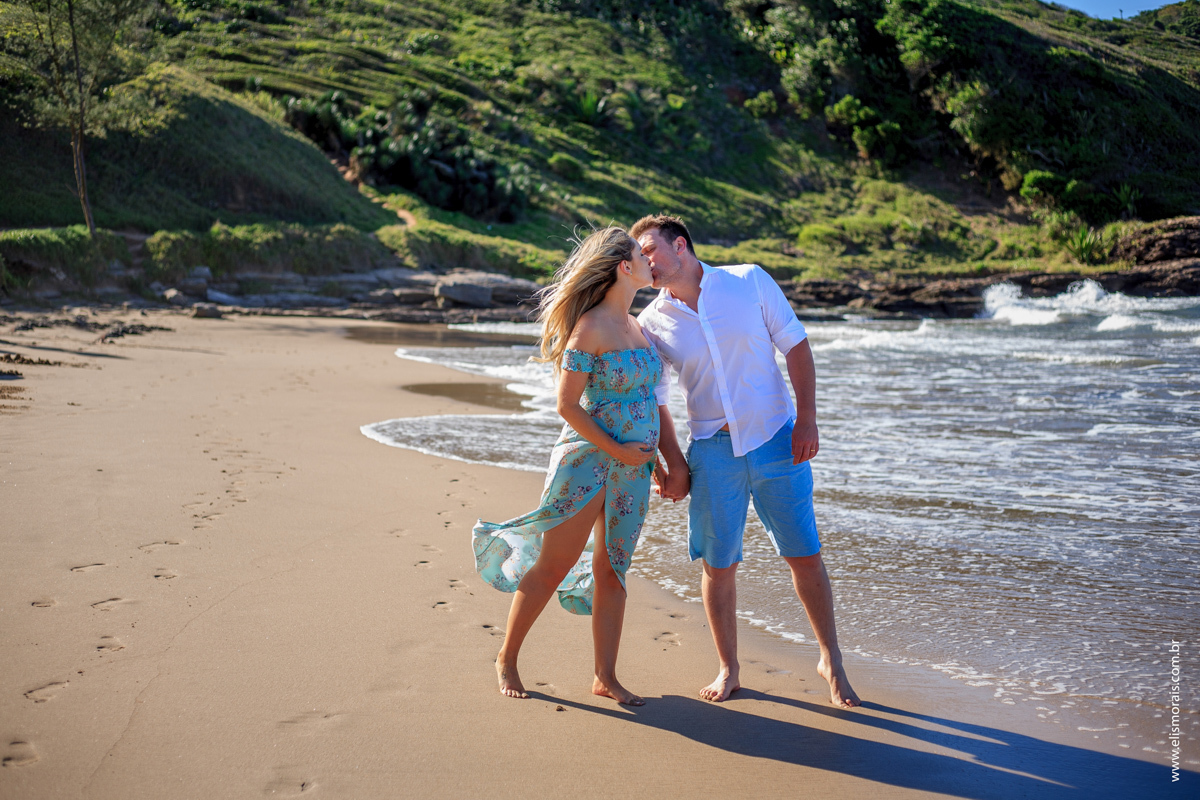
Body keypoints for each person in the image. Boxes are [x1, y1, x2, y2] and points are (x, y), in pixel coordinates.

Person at [632, 214, 861, 709]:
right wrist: (672, 465)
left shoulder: (748, 280)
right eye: (638, 253)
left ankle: (831, 659)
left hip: (778, 438)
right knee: (719, 564)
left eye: (648, 249)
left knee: (804, 554)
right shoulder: (652, 323)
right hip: (714, 451)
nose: (642, 259)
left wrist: (808, 420)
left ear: (680, 245)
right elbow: (656, 401)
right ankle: (729, 668)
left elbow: (796, 345)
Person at [472, 226, 669, 706]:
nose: (650, 262)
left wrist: (656, 461)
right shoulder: (591, 327)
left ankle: (606, 676)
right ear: (625, 267)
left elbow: (645, 400)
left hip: (633, 470)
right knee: (555, 563)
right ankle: (507, 658)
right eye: (643, 256)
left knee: (613, 570)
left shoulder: (638, 325)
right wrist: (620, 450)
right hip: (586, 464)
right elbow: (567, 406)